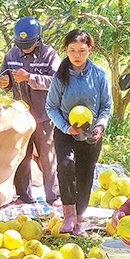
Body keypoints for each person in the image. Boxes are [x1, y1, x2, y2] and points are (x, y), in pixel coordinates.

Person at [46, 29, 111, 236]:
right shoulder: (60, 76)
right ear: (65, 50)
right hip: (65, 131)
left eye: (82, 51)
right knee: (66, 166)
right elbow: (51, 107)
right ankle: (68, 215)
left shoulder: (99, 75)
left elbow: (106, 107)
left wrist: (100, 126)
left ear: (90, 50)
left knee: (85, 173)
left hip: (91, 134)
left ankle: (79, 219)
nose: (76, 55)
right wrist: (67, 127)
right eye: (72, 50)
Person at [0, 16, 61, 206]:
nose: (24, 48)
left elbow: (57, 82)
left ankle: (54, 196)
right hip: (21, 116)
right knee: (22, 157)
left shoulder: (49, 55)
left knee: (48, 156)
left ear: (37, 39)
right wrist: (5, 82)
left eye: (28, 44)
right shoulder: (11, 55)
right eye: (21, 44)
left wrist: (30, 77)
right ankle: (24, 196)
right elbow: (3, 78)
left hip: (43, 115)